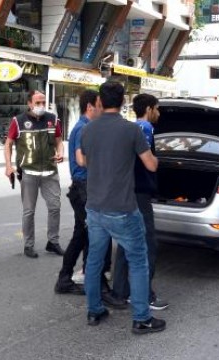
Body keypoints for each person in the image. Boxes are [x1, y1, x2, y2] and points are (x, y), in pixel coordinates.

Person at [77, 81, 166, 334]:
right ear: (123, 101)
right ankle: (141, 318)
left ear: (101, 102)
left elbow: (82, 161)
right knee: (138, 260)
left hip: (94, 207)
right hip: (123, 208)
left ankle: (94, 311)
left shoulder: (88, 130)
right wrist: (156, 157)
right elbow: (151, 165)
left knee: (94, 262)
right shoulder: (131, 130)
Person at [105, 93, 169, 311]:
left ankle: (120, 292)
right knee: (148, 244)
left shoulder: (128, 128)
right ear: (149, 109)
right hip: (140, 194)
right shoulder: (146, 129)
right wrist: (156, 160)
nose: (158, 113)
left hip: (125, 192)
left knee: (125, 243)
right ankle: (145, 295)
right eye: (157, 108)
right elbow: (148, 163)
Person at [54, 90, 110, 294]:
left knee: (82, 235)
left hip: (85, 187)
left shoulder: (87, 127)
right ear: (90, 107)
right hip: (83, 188)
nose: (102, 110)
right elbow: (80, 160)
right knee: (93, 234)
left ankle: (69, 278)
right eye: (100, 106)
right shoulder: (83, 129)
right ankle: (93, 281)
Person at [4, 90, 65, 258]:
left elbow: (59, 141)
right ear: (29, 104)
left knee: (55, 206)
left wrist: (60, 152)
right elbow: (8, 144)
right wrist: (8, 166)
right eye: (37, 103)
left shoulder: (53, 119)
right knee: (29, 211)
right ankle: (28, 245)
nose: (41, 106)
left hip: (50, 172)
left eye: (43, 102)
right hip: (29, 172)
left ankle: (53, 241)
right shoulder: (18, 121)